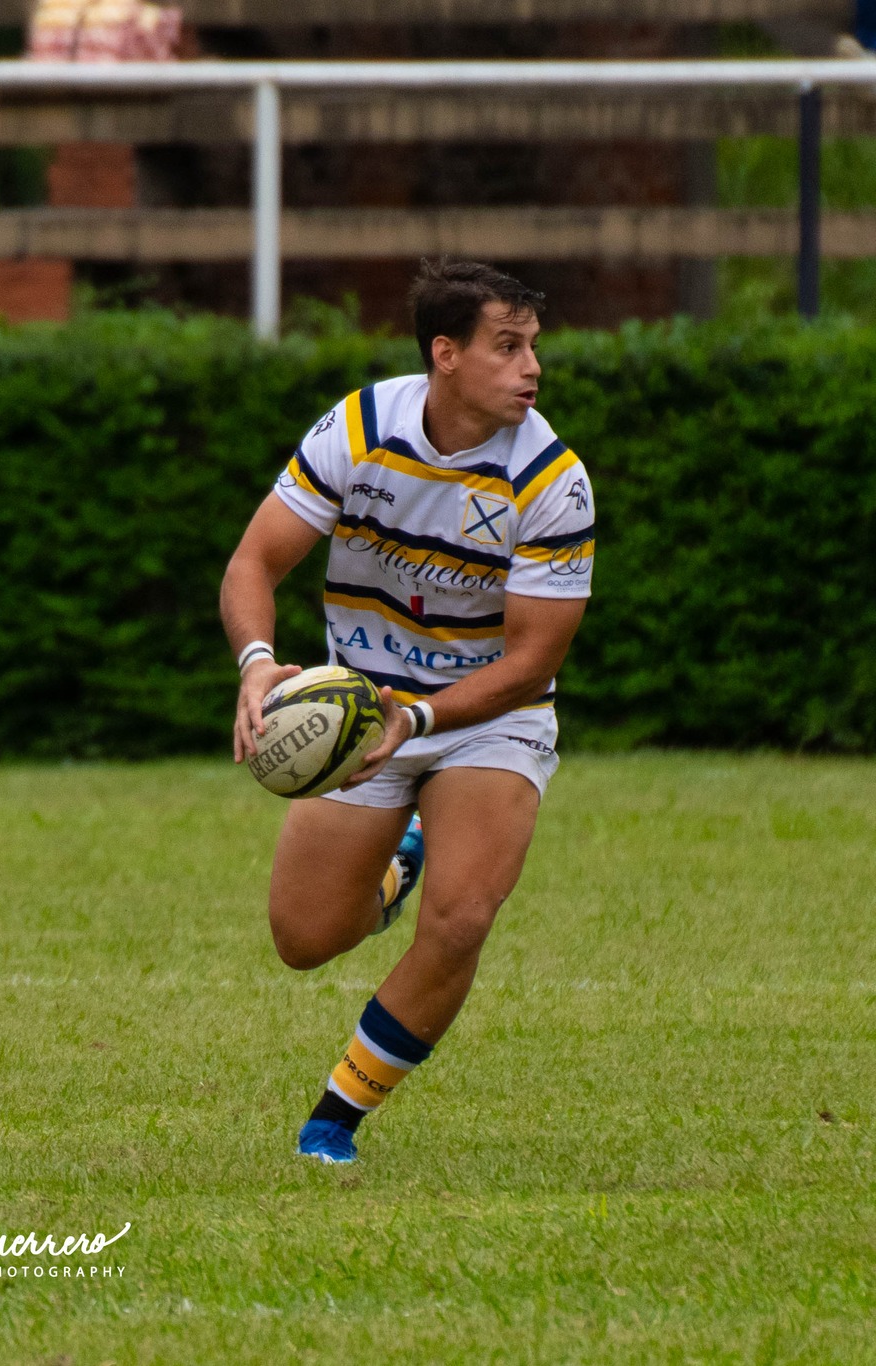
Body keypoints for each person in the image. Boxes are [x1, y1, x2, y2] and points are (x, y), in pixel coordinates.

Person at [220, 260, 596, 1165]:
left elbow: (534, 661)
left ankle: (335, 1118)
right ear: (445, 354)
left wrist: (420, 720)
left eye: (533, 347)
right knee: (304, 938)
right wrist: (258, 666)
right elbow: (252, 564)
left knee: (462, 918)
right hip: (361, 710)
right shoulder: (361, 428)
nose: (532, 368)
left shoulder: (551, 479)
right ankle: (396, 872)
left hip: (489, 717)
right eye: (507, 347)